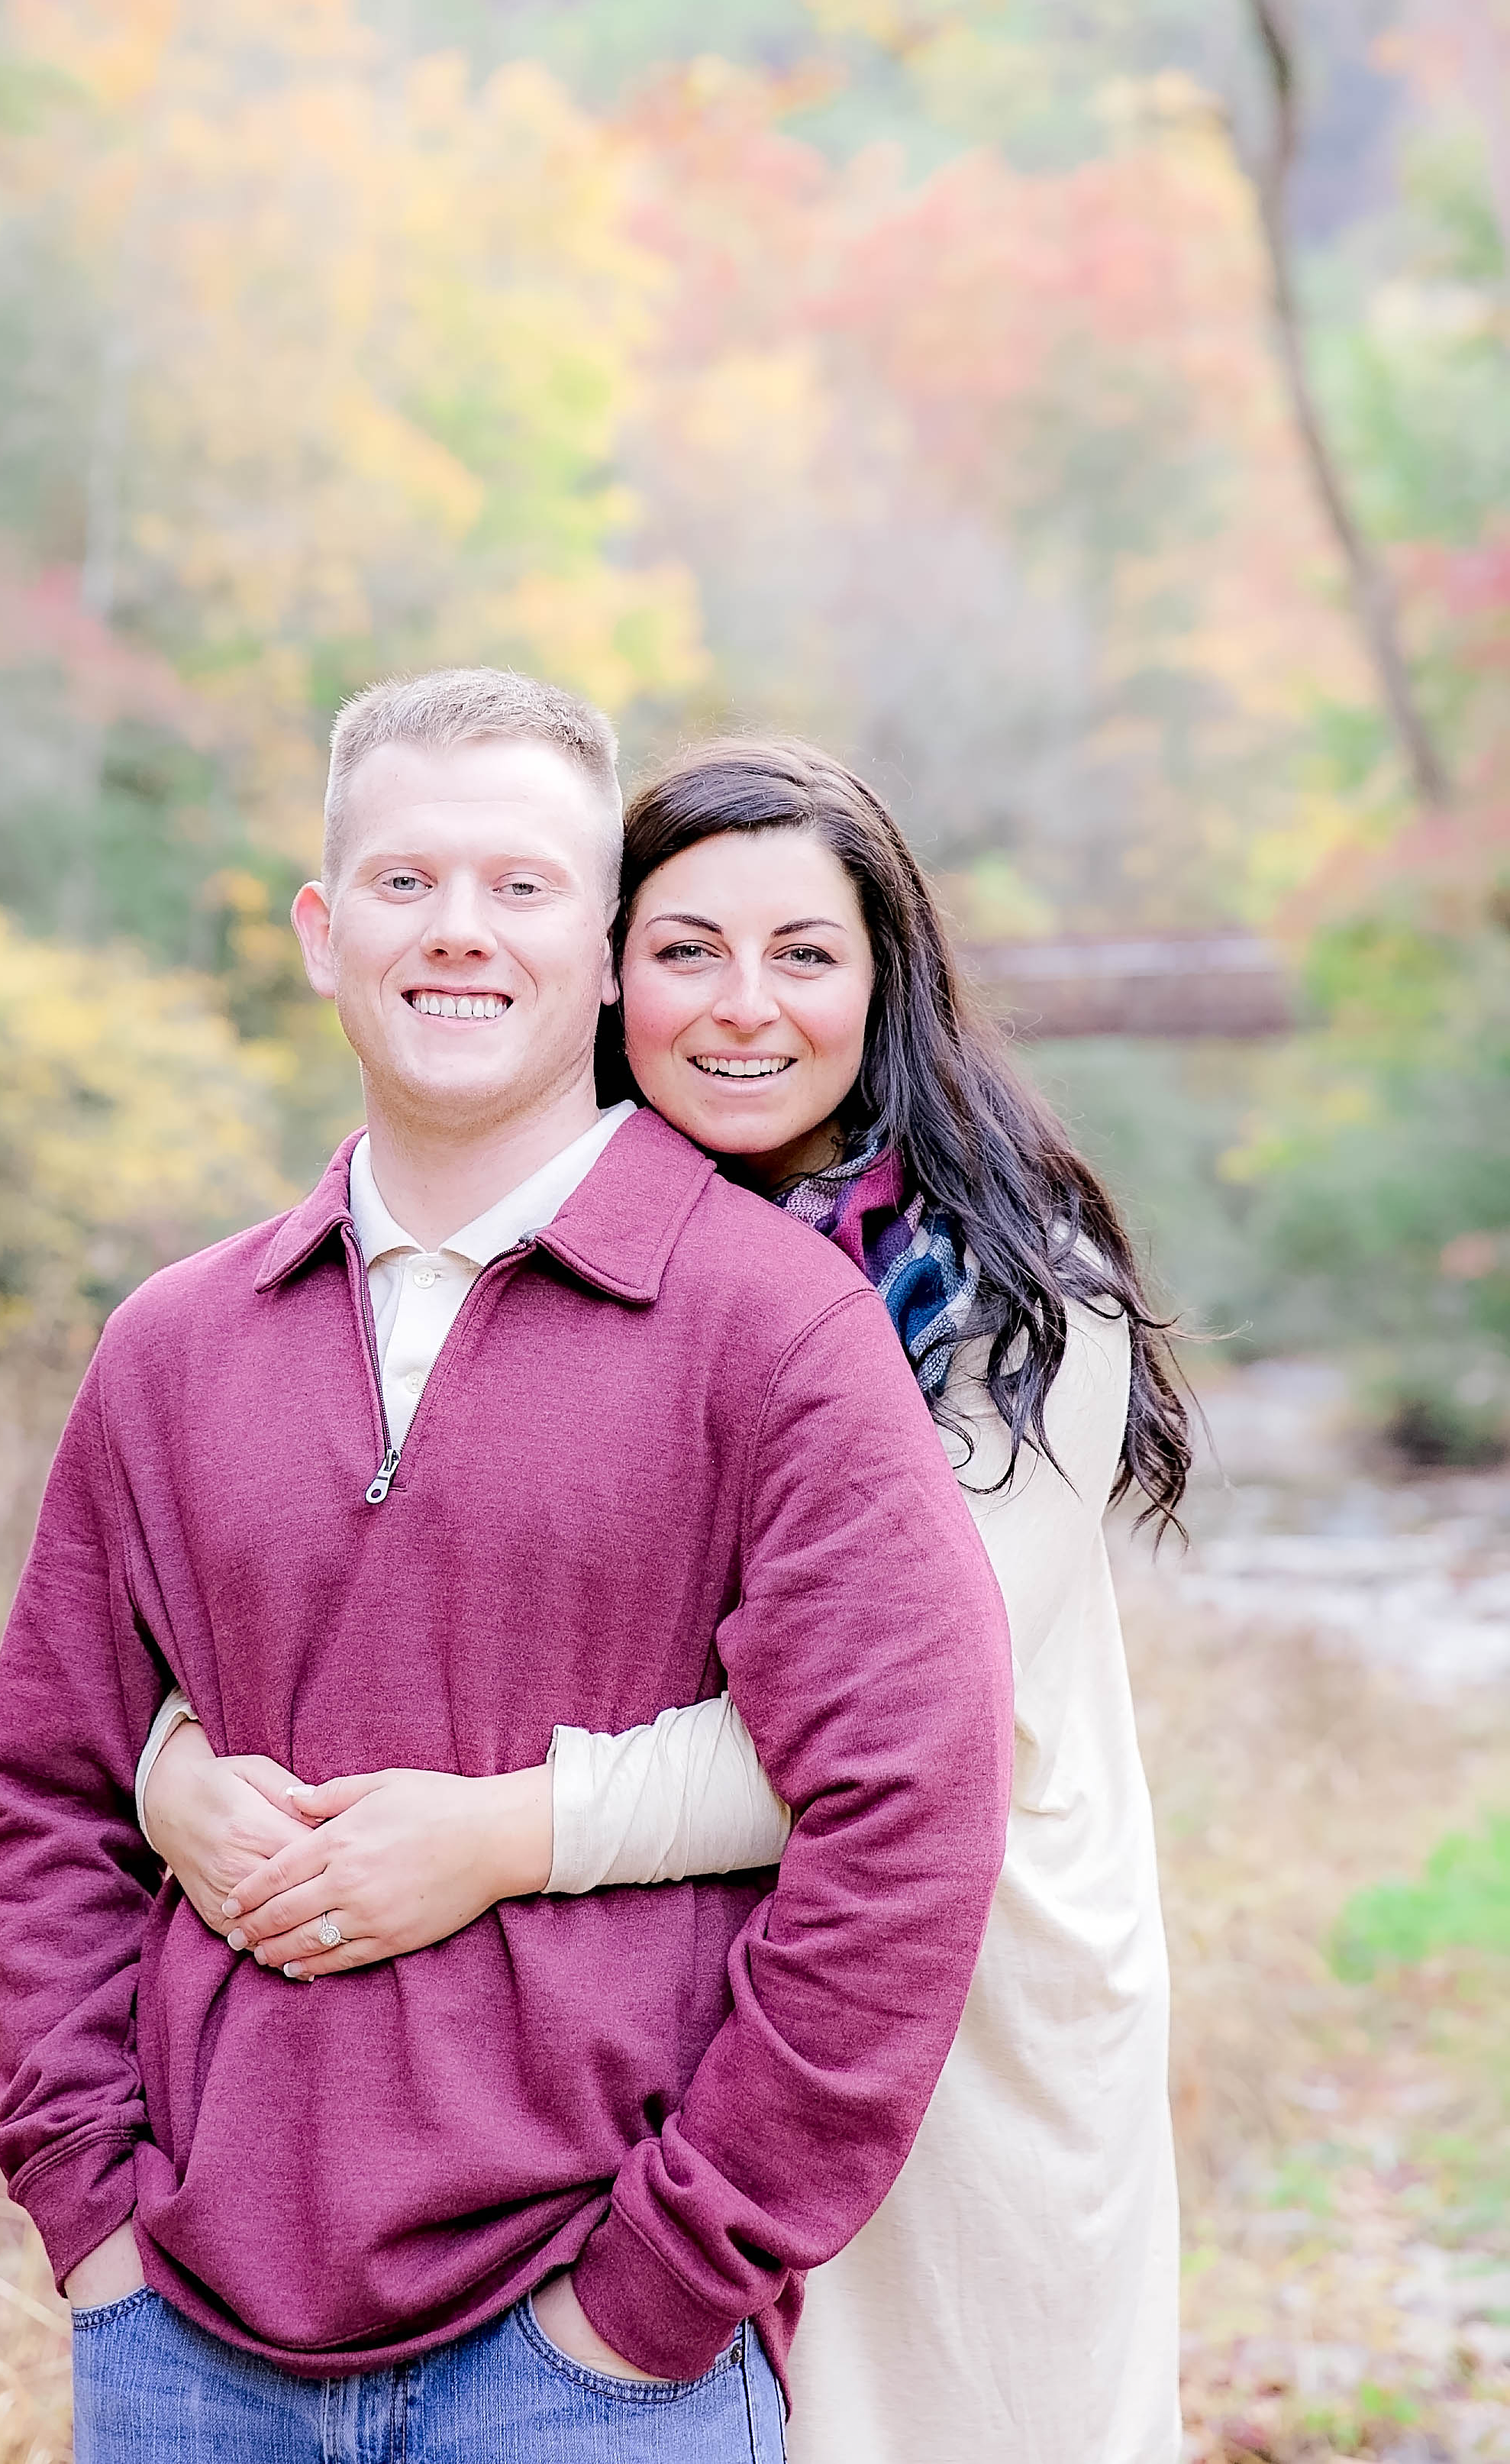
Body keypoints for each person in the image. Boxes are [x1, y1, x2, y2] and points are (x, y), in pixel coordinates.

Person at [0, 673, 1014, 2464]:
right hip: (183, 2347)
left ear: (606, 956)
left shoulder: (775, 1329)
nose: (460, 932)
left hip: (593, 2360)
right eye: (404, 882)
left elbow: (910, 1807)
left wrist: (668, 2280)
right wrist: (95, 2222)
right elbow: (46, 1788)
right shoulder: (171, 1340)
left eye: (523, 887)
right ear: (320, 929)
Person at [144, 736, 1192, 2464]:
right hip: (646, 2018)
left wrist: (494, 1829)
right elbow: (369, 1595)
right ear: (611, 969)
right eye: (687, 946)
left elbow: (890, 1736)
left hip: (948, 1985)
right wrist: (172, 1764)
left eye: (805, 952)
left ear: (887, 983)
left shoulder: (1010, 1308)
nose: (740, 1007)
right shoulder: (549, 1252)